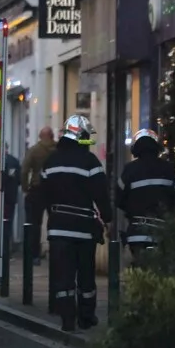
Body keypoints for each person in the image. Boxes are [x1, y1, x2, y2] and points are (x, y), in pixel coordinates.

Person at [40, 115, 112, 332]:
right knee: (86, 276)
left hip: (59, 228)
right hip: (83, 230)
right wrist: (107, 218)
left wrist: (52, 216)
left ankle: (67, 319)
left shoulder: (50, 162)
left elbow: (43, 194)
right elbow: (101, 194)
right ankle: (86, 316)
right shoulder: (90, 162)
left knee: (63, 277)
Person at [117, 128, 175, 256]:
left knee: (138, 273)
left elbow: (119, 200)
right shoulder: (168, 169)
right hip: (162, 234)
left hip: (137, 233)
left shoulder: (129, 170)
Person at [20, 126, 58, 265]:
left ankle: (34, 255)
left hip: (37, 189)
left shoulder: (35, 150)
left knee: (34, 224)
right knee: (55, 222)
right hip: (55, 190)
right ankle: (55, 252)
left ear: (40, 136)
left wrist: (25, 188)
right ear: (52, 136)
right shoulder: (58, 150)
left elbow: (24, 170)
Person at [2, 148, 21, 255]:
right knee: (8, 224)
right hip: (10, 198)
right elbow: (19, 180)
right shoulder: (14, 161)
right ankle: (6, 250)